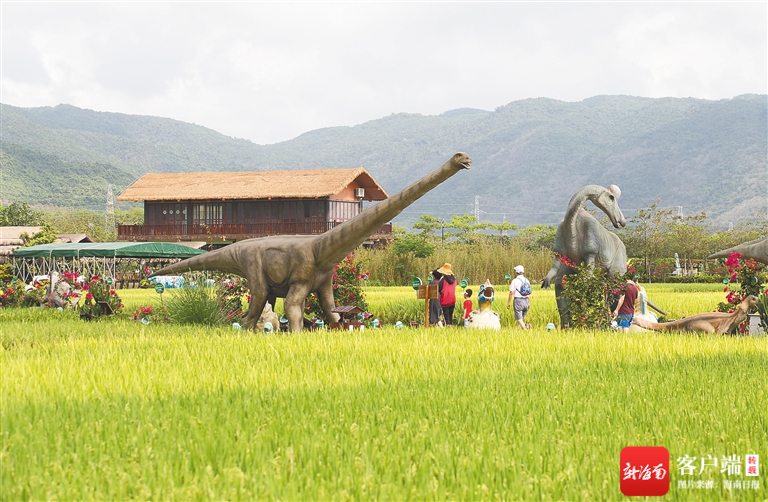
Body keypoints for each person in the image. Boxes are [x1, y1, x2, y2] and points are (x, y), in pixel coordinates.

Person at [507, 264, 532, 329]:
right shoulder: (527, 281)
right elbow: (528, 293)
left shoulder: (515, 281)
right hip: (526, 301)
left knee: (519, 319)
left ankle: (526, 331)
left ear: (516, 272)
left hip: (518, 301)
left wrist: (508, 302)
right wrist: (528, 303)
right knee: (521, 319)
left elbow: (511, 292)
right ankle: (518, 331)